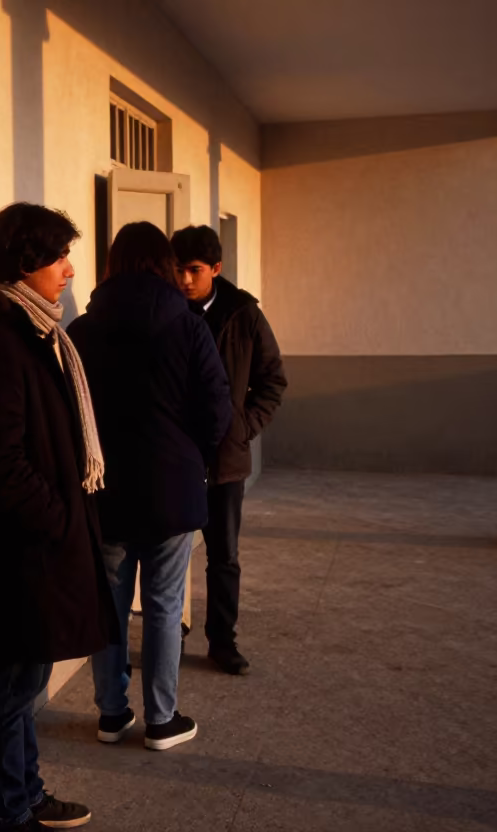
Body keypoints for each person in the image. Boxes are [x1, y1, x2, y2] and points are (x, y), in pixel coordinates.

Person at [0, 202, 118, 831]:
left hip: (37, 547)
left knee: (23, 685)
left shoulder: (33, 330)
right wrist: (60, 521)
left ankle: (25, 794)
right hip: (23, 552)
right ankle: (6, 810)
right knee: (10, 686)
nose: (69, 269)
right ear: (24, 264)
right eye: (57, 256)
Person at [66, 221, 231, 752]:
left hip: (106, 489)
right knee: (164, 604)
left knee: (110, 602)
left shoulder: (84, 329)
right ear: (164, 264)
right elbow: (217, 409)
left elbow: (69, 412)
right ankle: (162, 719)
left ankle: (111, 714)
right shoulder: (188, 326)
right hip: (171, 490)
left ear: (112, 265)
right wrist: (194, 459)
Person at [171, 225, 287, 676]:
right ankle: (171, 634)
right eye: (177, 269)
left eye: (193, 270)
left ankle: (222, 641)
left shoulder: (244, 314)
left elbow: (273, 380)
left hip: (226, 459)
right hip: (175, 458)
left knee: (223, 555)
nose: (184, 279)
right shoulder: (166, 313)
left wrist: (243, 429)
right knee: (170, 554)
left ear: (215, 269)